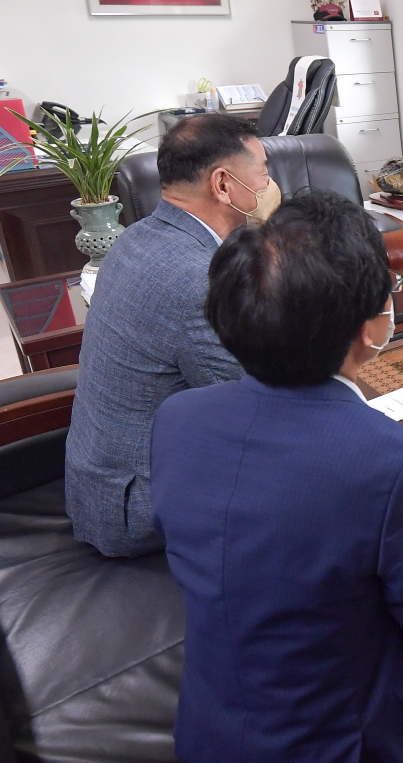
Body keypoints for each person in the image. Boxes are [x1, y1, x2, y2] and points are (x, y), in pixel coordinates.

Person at [150, 190, 403, 763]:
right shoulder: (397, 462)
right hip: (342, 743)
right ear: (368, 327)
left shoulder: (177, 418)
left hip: (208, 731)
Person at [66, 113, 282, 557]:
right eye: (263, 172)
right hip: (137, 505)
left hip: (100, 482)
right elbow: (259, 406)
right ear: (223, 185)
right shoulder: (198, 281)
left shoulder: (135, 237)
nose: (270, 185)